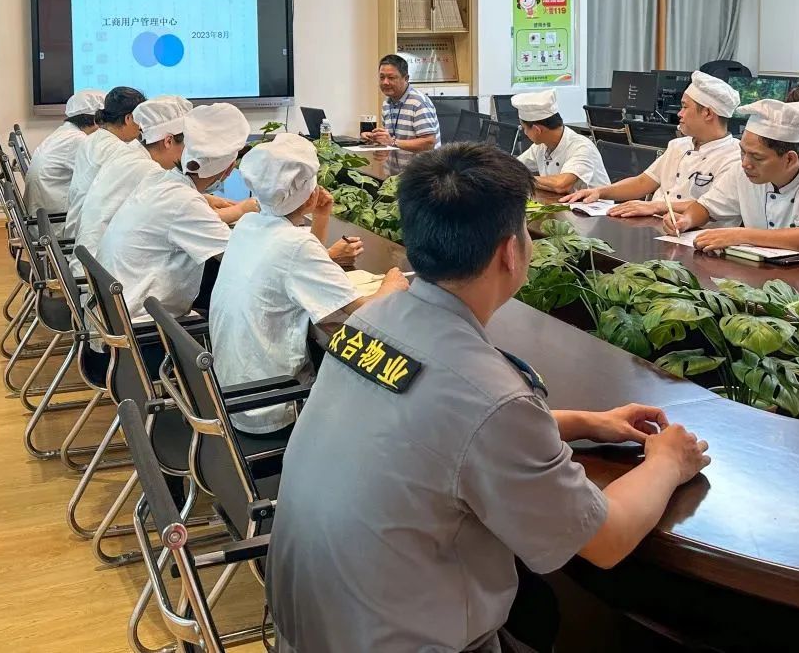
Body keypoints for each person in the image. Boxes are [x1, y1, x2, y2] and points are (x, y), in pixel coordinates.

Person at [267, 144, 711, 653]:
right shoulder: (491, 398)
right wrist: (668, 461)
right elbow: (605, 540)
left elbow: (439, 429)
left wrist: (584, 422)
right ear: (510, 251)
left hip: (312, 628)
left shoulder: (374, 318)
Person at [211, 134, 410, 435]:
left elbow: (297, 270)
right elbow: (365, 313)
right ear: (308, 191)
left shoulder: (250, 225)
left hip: (233, 393)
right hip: (274, 404)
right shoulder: (294, 245)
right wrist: (392, 284)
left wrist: (321, 217)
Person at [97, 103, 251, 322]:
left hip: (117, 312)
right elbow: (243, 258)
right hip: (145, 327)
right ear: (228, 170)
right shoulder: (184, 202)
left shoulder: (160, 179)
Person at [75, 96, 257, 271]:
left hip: (105, 272)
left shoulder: (153, 172)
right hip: (115, 280)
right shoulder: (147, 170)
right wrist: (242, 210)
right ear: (229, 169)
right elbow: (241, 258)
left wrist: (205, 200)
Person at [664, 99, 799, 255]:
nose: (745, 163)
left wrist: (742, 235)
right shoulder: (741, 171)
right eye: (743, 152)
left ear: (790, 159)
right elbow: (706, 206)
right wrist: (686, 220)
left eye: (757, 157)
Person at [562, 71, 741, 218]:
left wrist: (656, 206)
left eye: (685, 107)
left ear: (708, 113)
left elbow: (713, 206)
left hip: (698, 237)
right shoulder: (678, 146)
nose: (679, 114)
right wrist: (600, 192)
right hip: (656, 224)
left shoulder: (735, 157)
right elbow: (643, 182)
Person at [64, 86, 147, 238]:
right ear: (129, 118)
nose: (142, 127)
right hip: (92, 236)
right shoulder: (118, 151)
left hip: (78, 228)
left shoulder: (92, 139)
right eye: (141, 120)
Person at [22, 88, 105, 216]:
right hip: (56, 219)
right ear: (96, 120)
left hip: (43, 212)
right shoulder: (78, 140)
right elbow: (100, 177)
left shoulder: (66, 132)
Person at [512, 89, 609, 195]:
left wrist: (525, 179)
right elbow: (513, 167)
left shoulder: (582, 146)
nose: (525, 133)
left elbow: (562, 185)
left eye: (524, 128)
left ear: (537, 130)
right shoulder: (541, 146)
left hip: (596, 204)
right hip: (562, 201)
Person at [360, 53, 440, 152]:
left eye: (391, 78)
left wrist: (392, 142)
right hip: (396, 162)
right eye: (382, 77)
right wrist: (374, 138)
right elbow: (390, 141)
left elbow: (429, 143)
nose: (385, 82)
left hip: (420, 163)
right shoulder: (387, 103)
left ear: (406, 78)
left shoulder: (419, 102)